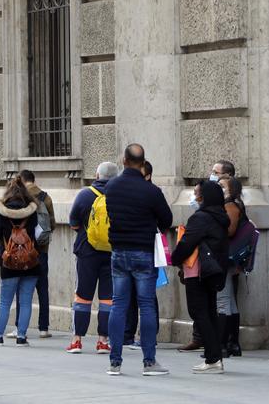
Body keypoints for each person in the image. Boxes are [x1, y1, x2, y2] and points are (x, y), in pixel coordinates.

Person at [105, 144, 173, 376]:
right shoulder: (151, 191)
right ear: (143, 163)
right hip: (144, 252)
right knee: (146, 306)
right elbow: (167, 219)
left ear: (124, 161)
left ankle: (115, 362)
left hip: (118, 252)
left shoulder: (111, 187)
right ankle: (149, 362)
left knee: (118, 304)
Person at [171, 180, 231, 374]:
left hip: (197, 271)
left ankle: (213, 358)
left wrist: (175, 258)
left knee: (199, 312)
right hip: (213, 271)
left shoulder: (201, 218)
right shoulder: (220, 217)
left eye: (198, 194)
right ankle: (214, 357)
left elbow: (187, 243)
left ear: (205, 197)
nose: (195, 198)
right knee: (209, 312)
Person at [66, 162, 118, 354]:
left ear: (97, 175)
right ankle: (103, 341)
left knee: (82, 295)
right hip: (111, 251)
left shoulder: (85, 194)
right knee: (107, 298)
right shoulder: (119, 196)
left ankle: (77, 340)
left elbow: (73, 222)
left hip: (87, 252)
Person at [0, 177, 40, 346]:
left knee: (6, 301)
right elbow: (36, 231)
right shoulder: (32, 210)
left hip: (9, 262)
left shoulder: (2, 211)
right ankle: (21, 336)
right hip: (30, 262)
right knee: (26, 301)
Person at [4, 170, 55, 339]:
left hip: (24, 251)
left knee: (23, 290)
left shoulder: (21, 198)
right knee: (43, 288)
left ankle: (19, 327)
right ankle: (44, 327)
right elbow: (52, 224)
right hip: (42, 250)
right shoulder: (45, 197)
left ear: (22, 181)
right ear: (34, 180)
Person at [125, 160, 159, 350]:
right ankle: (128, 334)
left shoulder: (151, 193)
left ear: (147, 176)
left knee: (146, 297)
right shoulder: (129, 191)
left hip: (145, 249)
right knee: (127, 296)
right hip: (129, 249)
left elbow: (164, 218)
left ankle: (148, 337)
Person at [217, 175, 247, 358]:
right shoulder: (235, 204)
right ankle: (232, 343)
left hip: (226, 257)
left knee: (223, 299)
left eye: (222, 186)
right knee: (229, 299)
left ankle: (223, 344)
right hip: (230, 257)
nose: (218, 188)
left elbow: (229, 230)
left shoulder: (230, 205)